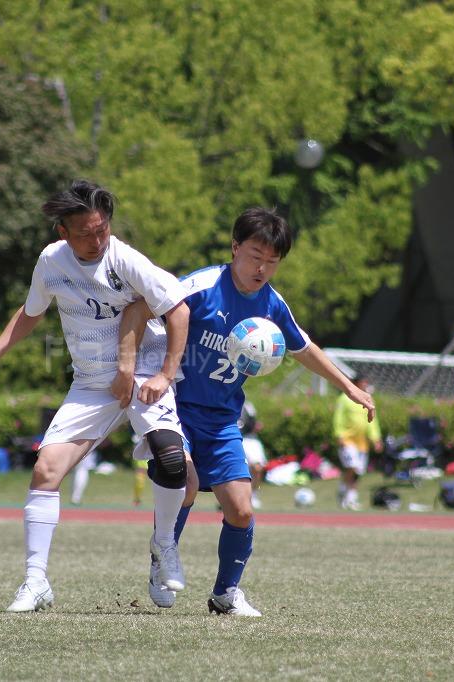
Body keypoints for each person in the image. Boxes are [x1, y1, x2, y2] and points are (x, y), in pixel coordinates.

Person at [115, 207, 375, 616]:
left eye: (272, 261)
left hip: (222, 420)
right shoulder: (201, 286)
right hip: (176, 408)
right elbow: (140, 309)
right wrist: (130, 367)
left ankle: (225, 594)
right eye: (256, 256)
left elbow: (303, 347)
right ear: (235, 247)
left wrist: (349, 387)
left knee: (241, 509)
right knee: (186, 484)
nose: (262, 268)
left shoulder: (272, 304)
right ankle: (162, 557)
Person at [0, 180, 191, 613]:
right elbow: (31, 311)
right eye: (86, 233)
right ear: (63, 232)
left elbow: (178, 309)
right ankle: (35, 582)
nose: (97, 240)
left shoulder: (124, 259)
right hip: (90, 383)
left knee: (170, 458)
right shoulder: (51, 262)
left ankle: (163, 545)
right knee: (46, 469)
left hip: (145, 372)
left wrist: (166, 375)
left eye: (102, 229)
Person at [332, 375, 382, 511]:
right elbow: (338, 417)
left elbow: (372, 421)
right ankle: (347, 494)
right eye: (363, 382)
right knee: (352, 467)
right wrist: (339, 434)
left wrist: (376, 438)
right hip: (348, 440)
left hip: (362, 442)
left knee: (358, 471)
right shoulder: (344, 399)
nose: (365, 385)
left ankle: (347, 494)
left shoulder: (368, 399)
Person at [238, 401, 267, 510]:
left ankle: (253, 495)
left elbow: (253, 422)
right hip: (231, 439)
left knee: (257, 468)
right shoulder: (223, 401)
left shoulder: (248, 406)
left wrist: (256, 426)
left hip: (249, 439)